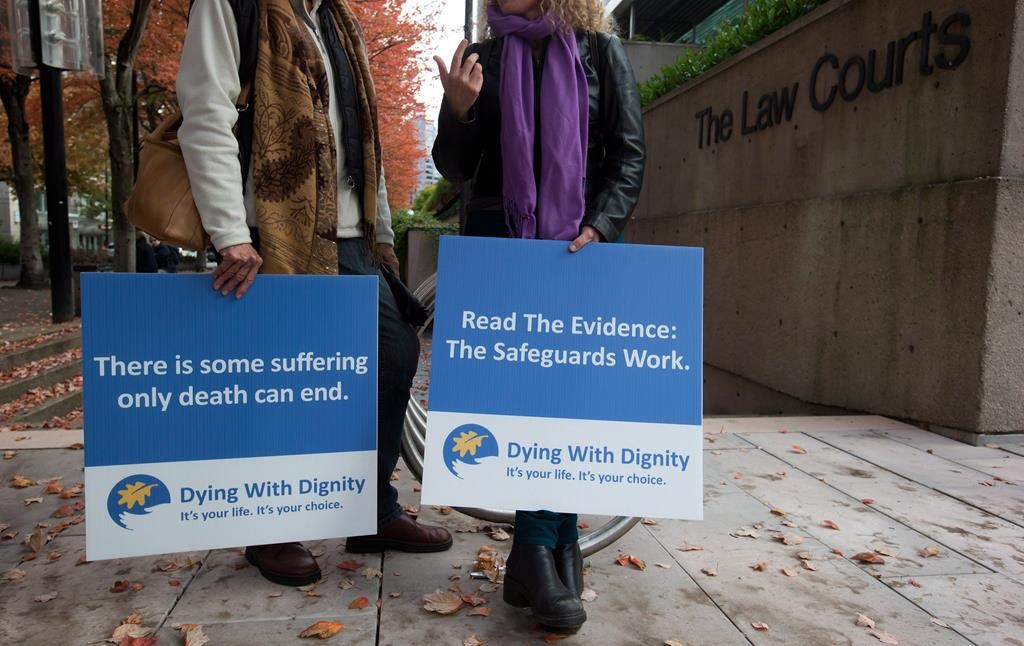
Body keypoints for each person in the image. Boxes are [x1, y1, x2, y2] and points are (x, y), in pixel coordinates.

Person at [176, 0, 452, 588]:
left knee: (394, 354)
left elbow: (363, 140)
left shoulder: (338, 20)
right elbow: (205, 113)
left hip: (350, 235)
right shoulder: (234, 6)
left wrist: (382, 234)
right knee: (282, 382)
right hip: (272, 230)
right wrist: (229, 233)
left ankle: (370, 511)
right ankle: (270, 528)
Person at [432, 0, 645, 633]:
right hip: (502, 245)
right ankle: (553, 547)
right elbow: (454, 168)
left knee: (571, 395)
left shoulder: (598, 48)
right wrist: (459, 111)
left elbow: (628, 153)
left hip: (581, 246)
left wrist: (602, 224)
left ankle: (538, 549)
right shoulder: (483, 56)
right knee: (528, 396)